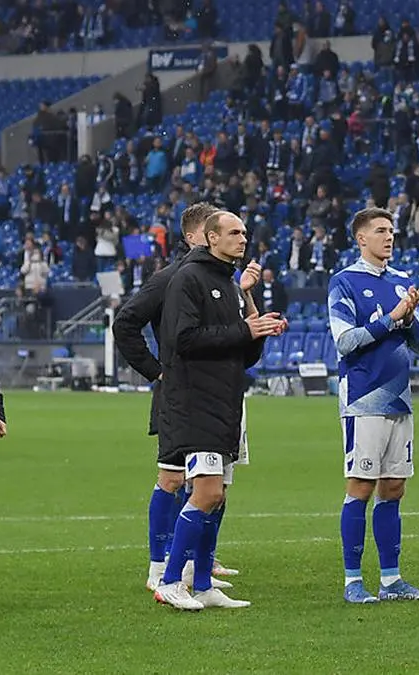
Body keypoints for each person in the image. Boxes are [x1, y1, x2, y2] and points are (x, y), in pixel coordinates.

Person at [153, 211, 286, 611]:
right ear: (210, 238)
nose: (242, 239)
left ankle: (206, 583)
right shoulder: (188, 279)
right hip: (197, 402)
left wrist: (257, 332)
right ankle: (172, 581)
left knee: (218, 495)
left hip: (226, 400)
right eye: (233, 233)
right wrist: (244, 331)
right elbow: (184, 339)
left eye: (244, 232)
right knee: (206, 490)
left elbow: (240, 352)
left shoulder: (228, 284)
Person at [112, 202, 245, 592]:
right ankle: (161, 566)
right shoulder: (171, 278)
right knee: (173, 478)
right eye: (215, 230)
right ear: (195, 237)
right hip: (183, 394)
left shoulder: (223, 278)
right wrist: (156, 371)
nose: (230, 238)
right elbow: (126, 323)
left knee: (215, 483)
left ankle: (195, 567)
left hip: (222, 391)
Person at [328, 207, 419, 604]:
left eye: (391, 231)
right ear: (361, 239)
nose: (389, 237)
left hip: (400, 400)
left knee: (393, 488)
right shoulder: (343, 283)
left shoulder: (403, 282)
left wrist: (408, 318)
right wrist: (391, 318)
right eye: (380, 231)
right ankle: (353, 580)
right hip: (363, 399)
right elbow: (344, 341)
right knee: (360, 487)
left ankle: (391, 580)